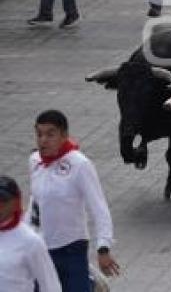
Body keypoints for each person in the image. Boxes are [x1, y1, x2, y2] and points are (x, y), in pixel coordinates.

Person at [27, 110, 120, 291]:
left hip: (72, 249)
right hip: (42, 250)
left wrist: (103, 247)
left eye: (50, 134)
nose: (43, 140)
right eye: (39, 134)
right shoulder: (34, 161)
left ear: (64, 135)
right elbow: (35, 203)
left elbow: (99, 207)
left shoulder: (80, 164)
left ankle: (90, 282)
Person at [0, 175, 62, 292]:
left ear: (15, 202)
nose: (0, 206)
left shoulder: (31, 241)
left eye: (3, 201)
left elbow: (50, 286)